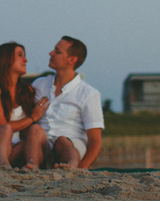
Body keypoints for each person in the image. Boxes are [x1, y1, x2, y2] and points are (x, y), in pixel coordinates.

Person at [24, 36, 104, 169]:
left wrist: (83, 168)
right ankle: (33, 167)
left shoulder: (89, 94)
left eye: (57, 51)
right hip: (41, 146)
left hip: (71, 146)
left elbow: (95, 141)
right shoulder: (39, 85)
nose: (51, 53)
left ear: (72, 60)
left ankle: (71, 168)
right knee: (35, 129)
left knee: (63, 141)